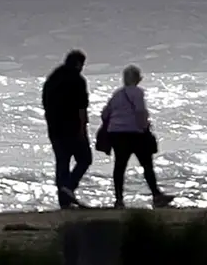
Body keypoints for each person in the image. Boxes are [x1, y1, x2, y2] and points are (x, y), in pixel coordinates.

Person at [96, 64, 170, 207]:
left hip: (117, 134)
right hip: (135, 134)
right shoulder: (138, 93)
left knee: (119, 166)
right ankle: (156, 195)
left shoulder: (117, 94)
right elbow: (140, 111)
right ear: (138, 79)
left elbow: (105, 113)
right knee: (147, 164)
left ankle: (119, 199)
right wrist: (144, 127)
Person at [41, 50, 95, 208]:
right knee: (85, 159)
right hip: (73, 127)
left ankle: (64, 201)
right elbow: (81, 108)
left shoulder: (52, 79)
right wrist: (83, 129)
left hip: (55, 128)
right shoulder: (77, 80)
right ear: (78, 63)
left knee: (62, 162)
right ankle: (69, 187)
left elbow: (45, 103)